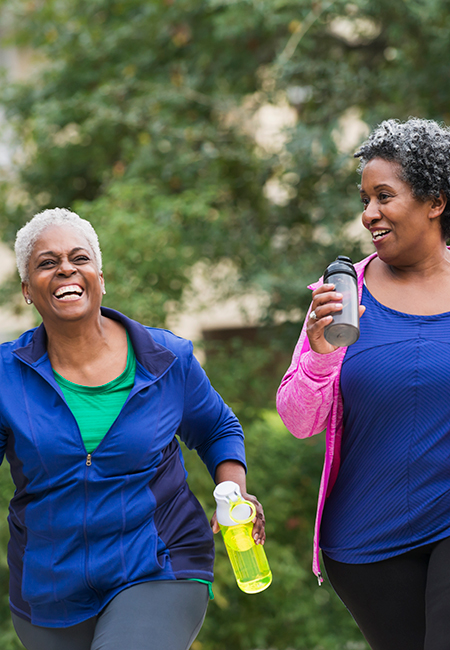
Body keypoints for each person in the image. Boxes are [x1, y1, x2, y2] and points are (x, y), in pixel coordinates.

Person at [1, 207, 266, 650]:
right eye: (47, 263)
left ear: (99, 277)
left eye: (79, 258)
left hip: (159, 564)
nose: (66, 268)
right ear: (28, 290)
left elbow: (218, 427)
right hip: (48, 589)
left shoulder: (165, 359)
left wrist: (232, 491)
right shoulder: (7, 376)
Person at [277, 117, 450, 650]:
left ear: (435, 202)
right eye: (365, 198)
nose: (368, 213)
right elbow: (298, 421)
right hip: (366, 544)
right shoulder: (340, 295)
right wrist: (321, 354)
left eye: (383, 196)